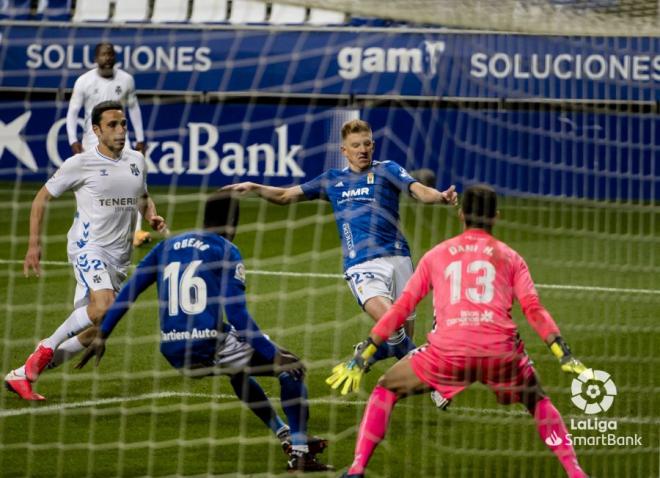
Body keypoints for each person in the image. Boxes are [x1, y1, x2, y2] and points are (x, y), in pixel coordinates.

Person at [327, 184, 589, 478]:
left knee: (386, 389)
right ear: (496, 217)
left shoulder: (437, 255)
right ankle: (575, 472)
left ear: (462, 214)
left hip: (447, 352)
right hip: (500, 352)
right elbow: (534, 309)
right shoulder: (511, 257)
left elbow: (400, 309)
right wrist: (561, 351)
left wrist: (366, 352)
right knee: (538, 400)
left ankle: (356, 470)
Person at [76, 193, 333, 472]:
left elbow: (130, 291)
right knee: (290, 368)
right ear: (233, 222)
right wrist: (274, 355)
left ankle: (284, 433)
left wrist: (104, 333)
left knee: (237, 367)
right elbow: (239, 315)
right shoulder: (224, 249)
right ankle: (300, 452)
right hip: (208, 345)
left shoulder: (167, 247)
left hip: (173, 352)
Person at [223, 119, 457, 378]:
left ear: (373, 145)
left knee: (399, 341)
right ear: (344, 151)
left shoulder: (388, 170)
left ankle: (370, 353)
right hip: (363, 264)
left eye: (367, 144)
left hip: (400, 259)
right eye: (355, 145)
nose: (362, 149)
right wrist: (255, 187)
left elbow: (419, 191)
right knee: (392, 324)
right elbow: (285, 196)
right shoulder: (332, 180)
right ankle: (436, 381)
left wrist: (441, 197)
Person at [4, 101, 167, 401]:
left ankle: (22, 375)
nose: (120, 131)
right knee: (105, 306)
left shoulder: (136, 161)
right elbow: (40, 199)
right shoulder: (80, 163)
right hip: (87, 248)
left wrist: (151, 215)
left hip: (119, 259)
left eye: (123, 124)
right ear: (96, 130)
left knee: (97, 328)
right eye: (112, 125)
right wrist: (33, 245)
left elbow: (142, 196)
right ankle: (42, 351)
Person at [66, 41, 151, 247]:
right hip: (93, 141)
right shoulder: (84, 81)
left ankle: (136, 232)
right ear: (96, 58)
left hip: (122, 139)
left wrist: (140, 138)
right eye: (104, 54)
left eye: (111, 54)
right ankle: (91, 229)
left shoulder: (126, 80)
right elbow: (72, 112)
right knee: (95, 187)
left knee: (135, 180)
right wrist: (73, 141)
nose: (107, 58)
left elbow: (135, 109)